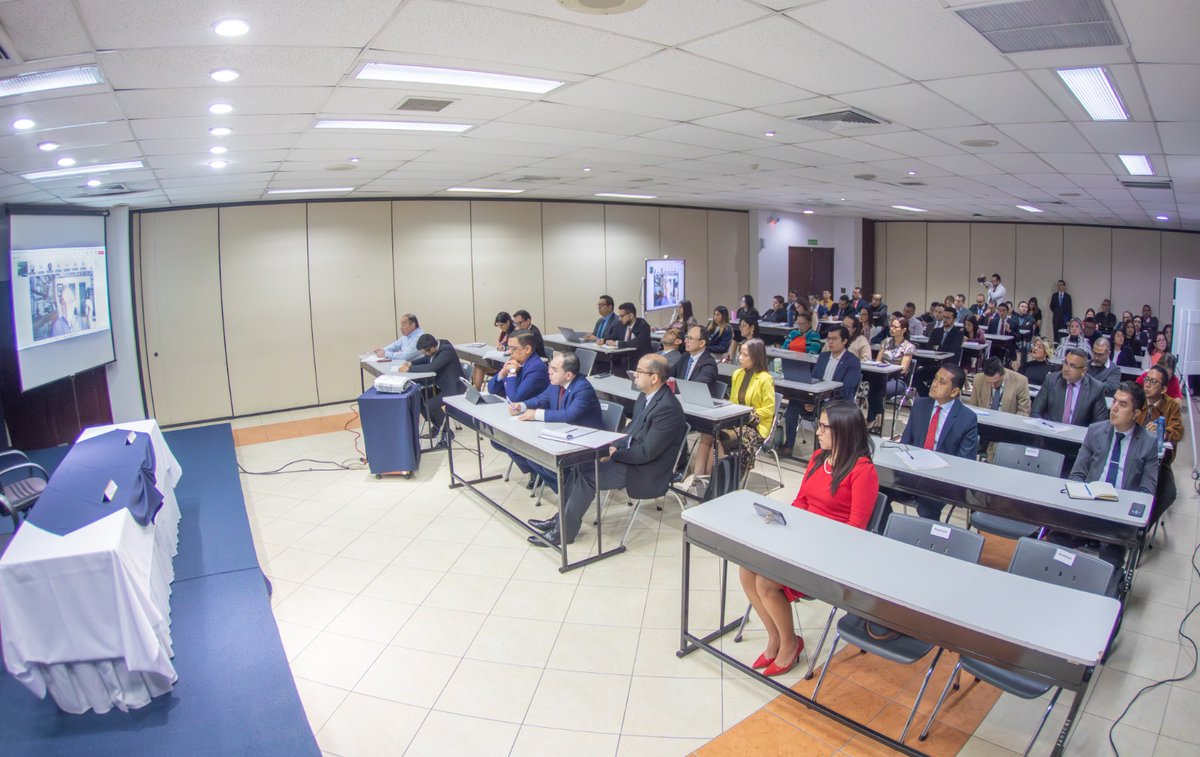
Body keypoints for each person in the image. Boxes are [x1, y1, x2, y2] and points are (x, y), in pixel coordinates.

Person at [739, 400, 877, 677]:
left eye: (824, 427)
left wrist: (812, 539)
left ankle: (790, 644)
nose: (818, 432)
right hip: (802, 539)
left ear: (844, 431)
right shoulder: (817, 460)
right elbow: (801, 501)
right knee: (746, 570)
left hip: (831, 552)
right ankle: (775, 637)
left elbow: (855, 530)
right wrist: (784, 523)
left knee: (766, 582)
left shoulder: (863, 472)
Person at [529, 354, 685, 547]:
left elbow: (647, 453)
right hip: (630, 457)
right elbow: (631, 430)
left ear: (654, 378)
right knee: (580, 465)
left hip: (646, 469)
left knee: (588, 474)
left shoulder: (666, 408)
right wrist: (612, 446)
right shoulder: (645, 397)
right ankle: (560, 521)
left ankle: (563, 533)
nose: (634, 375)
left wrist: (615, 454)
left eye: (639, 371)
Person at [1057, 381, 1158, 566]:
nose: (1115, 408)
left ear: (1136, 414)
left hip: (1118, 517)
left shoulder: (1148, 442)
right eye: (1115, 401)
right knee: (1054, 545)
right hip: (1087, 507)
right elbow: (1077, 475)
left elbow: (1147, 491)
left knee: (1109, 563)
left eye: (1123, 404)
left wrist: (1126, 512)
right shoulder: (1096, 431)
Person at [506, 351, 604, 493]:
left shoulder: (583, 388)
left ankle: (571, 490)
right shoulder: (556, 383)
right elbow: (542, 399)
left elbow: (570, 415)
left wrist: (536, 414)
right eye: (550, 367)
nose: (549, 372)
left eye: (554, 370)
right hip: (562, 433)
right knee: (526, 452)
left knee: (539, 458)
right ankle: (566, 487)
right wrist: (521, 406)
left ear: (568, 375)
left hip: (583, 439)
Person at [899, 363, 978, 521]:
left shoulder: (967, 419)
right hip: (912, 473)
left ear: (955, 391)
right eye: (935, 379)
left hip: (940, 481)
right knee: (878, 490)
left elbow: (965, 462)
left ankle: (925, 543)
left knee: (928, 506)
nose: (934, 384)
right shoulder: (920, 405)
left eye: (942, 382)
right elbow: (905, 443)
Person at [694, 339, 775, 481]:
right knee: (707, 434)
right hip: (737, 421)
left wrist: (747, 413)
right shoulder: (738, 373)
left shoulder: (765, 379)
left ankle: (718, 481)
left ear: (756, 357)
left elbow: (769, 410)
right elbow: (733, 401)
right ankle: (699, 480)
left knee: (718, 437)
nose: (740, 357)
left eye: (745, 355)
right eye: (740, 353)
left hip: (755, 426)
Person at [781, 325, 861, 455]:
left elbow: (847, 389)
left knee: (822, 411)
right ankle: (788, 445)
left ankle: (821, 453)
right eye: (828, 339)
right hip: (816, 401)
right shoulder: (823, 357)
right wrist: (810, 400)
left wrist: (819, 401)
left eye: (834, 339)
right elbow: (813, 381)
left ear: (845, 341)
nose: (830, 342)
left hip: (836, 403)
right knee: (793, 405)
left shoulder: (852, 361)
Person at [1137, 364, 1183, 518]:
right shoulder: (1137, 398)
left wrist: (1162, 433)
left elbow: (1178, 432)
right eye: (1146, 379)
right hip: (1133, 454)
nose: (1147, 384)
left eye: (1153, 382)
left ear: (1163, 389)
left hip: (1158, 462)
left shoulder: (1171, 405)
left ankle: (1141, 531)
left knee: (1168, 493)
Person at [400, 333, 464, 437]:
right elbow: (426, 359)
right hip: (442, 385)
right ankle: (438, 426)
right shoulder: (435, 347)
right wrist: (411, 363)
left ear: (432, 348)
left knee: (430, 405)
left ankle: (447, 433)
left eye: (425, 352)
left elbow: (431, 367)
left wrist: (409, 369)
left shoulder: (446, 351)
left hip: (454, 388)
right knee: (420, 399)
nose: (425, 354)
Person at [968, 356, 1030, 462]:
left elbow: (1024, 412)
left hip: (1005, 430)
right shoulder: (979, 379)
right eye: (989, 382)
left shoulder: (1020, 381)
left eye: (996, 382)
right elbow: (971, 408)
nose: (992, 385)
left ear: (1003, 374)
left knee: (996, 451)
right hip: (982, 429)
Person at [1031, 347, 1109, 426]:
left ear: (1083, 371)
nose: (1066, 368)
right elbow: (1035, 412)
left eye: (1072, 366)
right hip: (1049, 434)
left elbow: (1100, 425)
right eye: (1065, 363)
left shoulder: (1096, 388)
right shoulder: (1051, 380)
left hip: (1079, 437)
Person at [865, 316, 915, 434]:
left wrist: (888, 368)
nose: (891, 329)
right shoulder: (886, 342)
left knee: (878, 391)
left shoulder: (908, 346)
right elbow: (878, 361)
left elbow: (903, 369)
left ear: (903, 330)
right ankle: (875, 419)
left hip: (898, 380)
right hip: (881, 376)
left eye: (895, 327)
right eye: (891, 326)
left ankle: (874, 420)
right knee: (873, 388)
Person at [486, 330, 549, 402]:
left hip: (530, 410)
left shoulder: (537, 368)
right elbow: (491, 389)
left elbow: (515, 398)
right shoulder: (515, 361)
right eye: (508, 348)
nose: (509, 352)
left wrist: (511, 373)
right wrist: (502, 373)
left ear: (527, 349)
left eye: (513, 348)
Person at [915, 307, 962, 397]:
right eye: (944, 317)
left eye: (948, 318)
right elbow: (929, 346)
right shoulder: (936, 331)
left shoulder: (958, 334)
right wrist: (939, 348)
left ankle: (933, 397)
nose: (945, 320)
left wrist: (937, 347)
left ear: (954, 319)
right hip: (933, 365)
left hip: (948, 367)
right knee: (915, 376)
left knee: (937, 379)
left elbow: (952, 351)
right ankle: (927, 397)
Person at [673, 325, 720, 391]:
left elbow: (695, 387)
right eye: (686, 337)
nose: (685, 341)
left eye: (690, 338)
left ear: (702, 343)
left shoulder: (709, 364)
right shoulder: (685, 356)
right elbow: (670, 373)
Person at [605, 301, 652, 367]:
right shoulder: (620, 324)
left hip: (640, 361)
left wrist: (617, 343)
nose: (620, 319)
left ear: (631, 315)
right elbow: (613, 336)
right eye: (619, 316)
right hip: (624, 359)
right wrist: (603, 340)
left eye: (622, 316)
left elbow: (635, 343)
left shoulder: (643, 325)